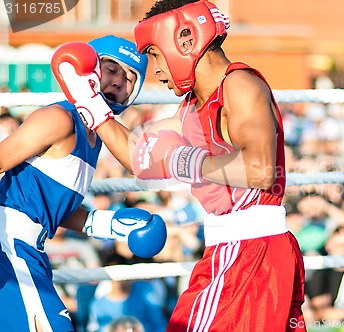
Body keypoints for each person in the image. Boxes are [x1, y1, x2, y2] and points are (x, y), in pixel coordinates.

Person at [66, 1, 307, 331]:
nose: (156, 70)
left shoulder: (239, 85)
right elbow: (139, 157)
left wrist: (187, 161)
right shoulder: (192, 107)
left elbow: (261, 169)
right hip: (236, 251)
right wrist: (90, 105)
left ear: (184, 39)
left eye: (154, 53)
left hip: (250, 252)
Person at [0, 35, 167, 332]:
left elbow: (49, 206)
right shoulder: (59, 118)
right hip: (8, 246)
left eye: (130, 78)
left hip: (29, 249)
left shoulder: (94, 137)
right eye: (112, 69)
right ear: (89, 68)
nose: (119, 82)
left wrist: (110, 225)